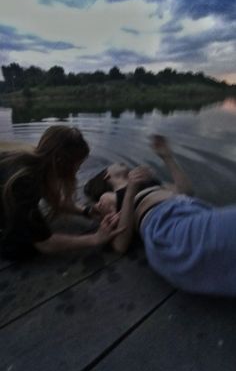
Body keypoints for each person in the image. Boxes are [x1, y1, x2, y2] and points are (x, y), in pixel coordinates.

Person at [86, 135, 236, 296]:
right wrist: (130, 190)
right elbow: (120, 245)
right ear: (106, 175)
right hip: (168, 226)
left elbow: (186, 191)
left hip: (195, 210)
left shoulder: (150, 181)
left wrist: (167, 157)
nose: (123, 164)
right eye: (115, 164)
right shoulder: (108, 197)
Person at [0, 125, 121, 261]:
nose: (77, 171)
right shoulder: (23, 182)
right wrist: (96, 238)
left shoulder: (34, 160)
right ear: (61, 162)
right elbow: (45, 244)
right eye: (78, 165)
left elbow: (55, 200)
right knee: (18, 249)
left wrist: (86, 211)